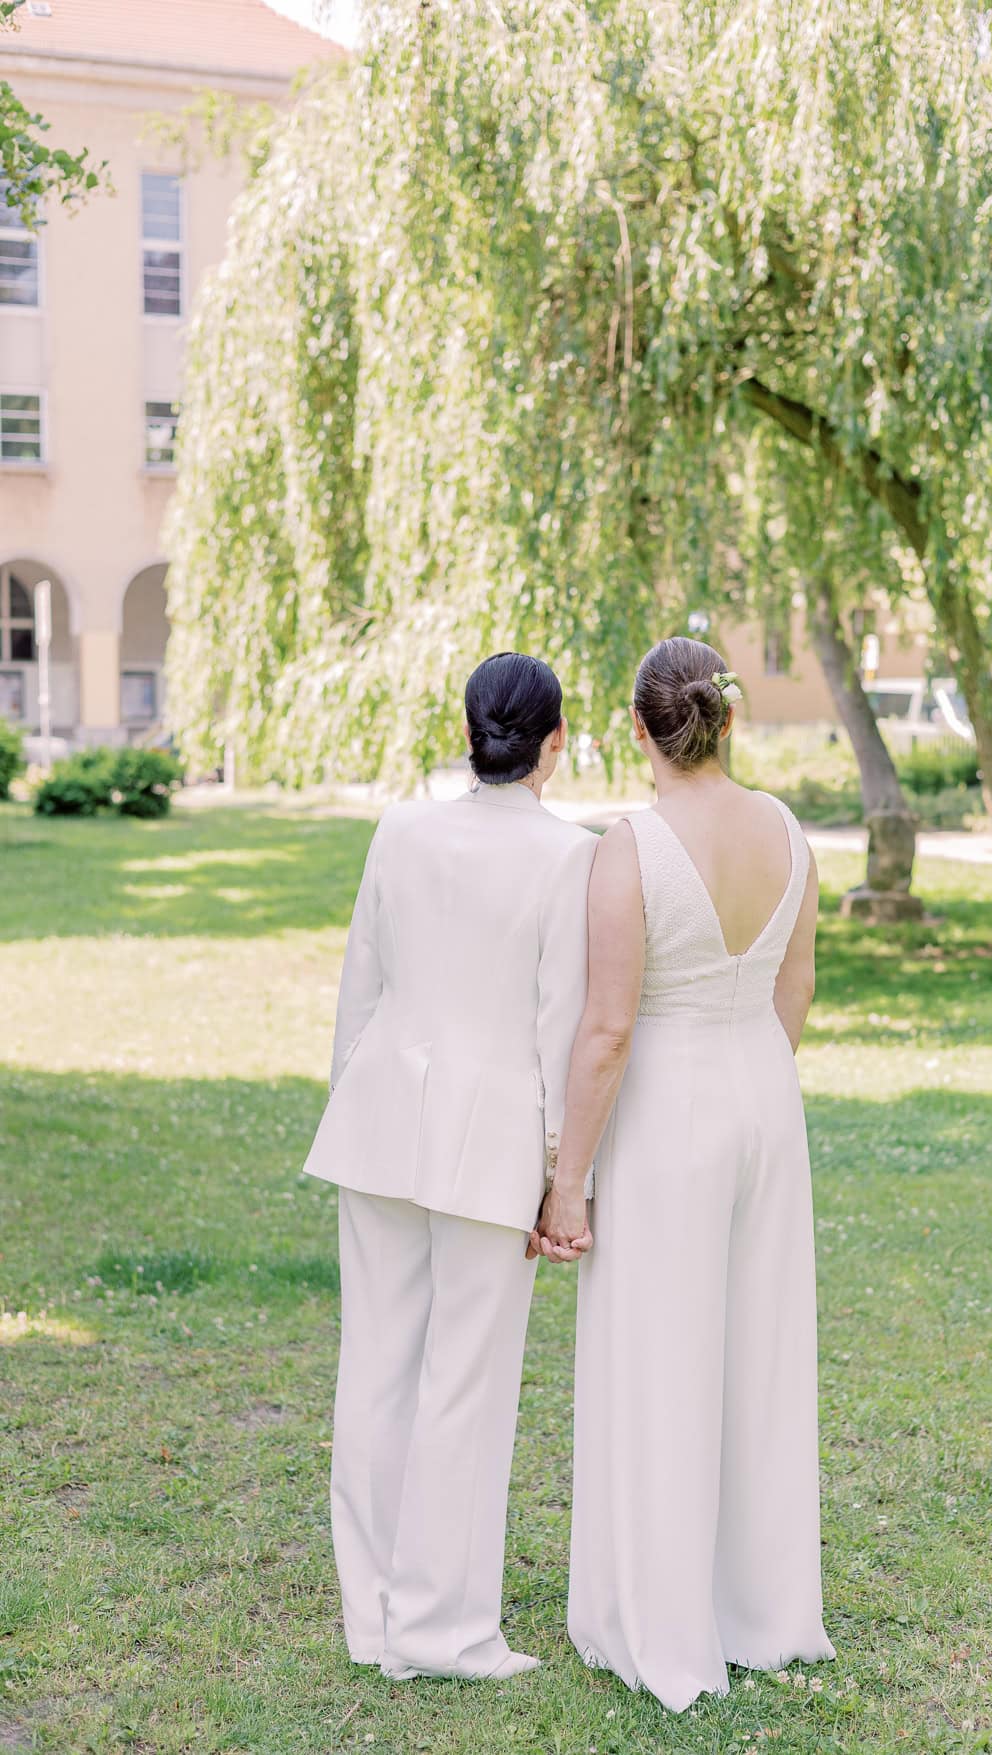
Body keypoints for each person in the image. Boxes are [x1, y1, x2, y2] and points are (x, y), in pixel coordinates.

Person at [534, 635, 835, 1713]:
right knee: (757, 1351)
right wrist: (751, 1073)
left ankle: (661, 1617)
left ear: (639, 729)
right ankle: (756, 1607)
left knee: (661, 1352)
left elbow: (608, 1029)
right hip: (763, 1095)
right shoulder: (791, 833)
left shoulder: (632, 847)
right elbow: (794, 990)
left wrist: (569, 1181)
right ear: (729, 719)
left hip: (669, 1109)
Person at [304, 653, 596, 1682]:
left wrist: (354, 1100)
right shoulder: (572, 858)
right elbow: (564, 1032)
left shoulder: (399, 828)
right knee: (463, 1383)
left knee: (375, 1367)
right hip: (490, 1139)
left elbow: (361, 985)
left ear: (470, 731)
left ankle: (377, 1619)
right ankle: (441, 1632)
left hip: (381, 1116)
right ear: (555, 742)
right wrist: (569, 1181)